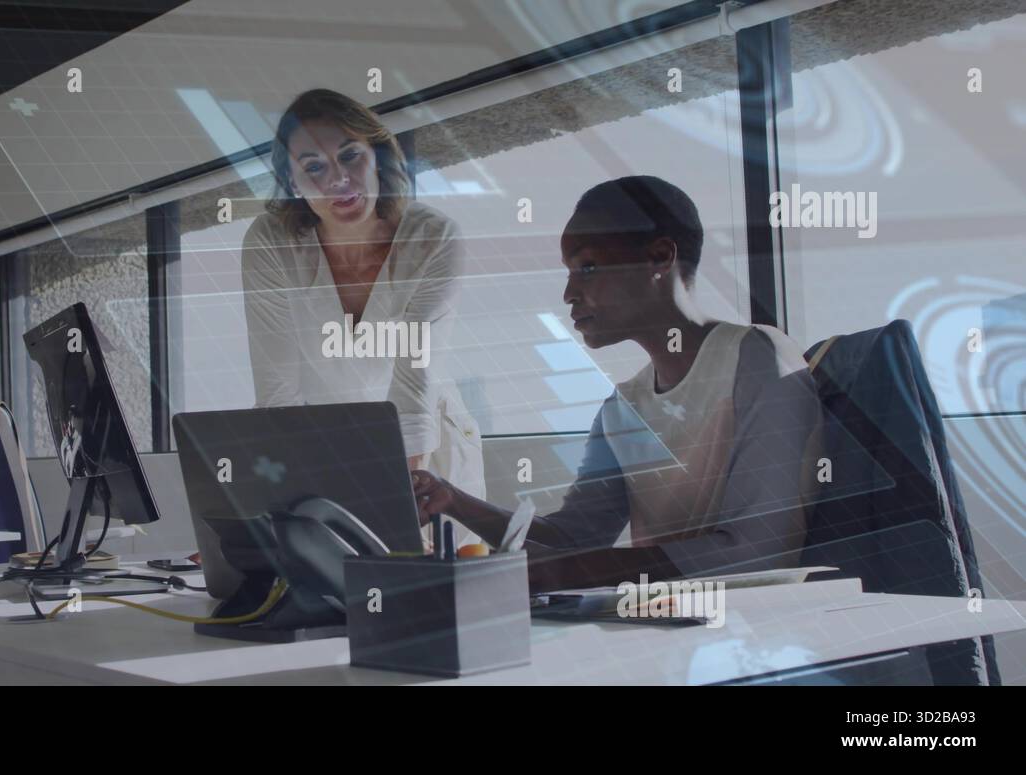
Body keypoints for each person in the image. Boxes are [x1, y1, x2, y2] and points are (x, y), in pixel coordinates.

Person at [413, 176, 823, 591]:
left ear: (659, 257)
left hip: (760, 631)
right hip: (661, 628)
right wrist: (454, 500)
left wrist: (564, 571)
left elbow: (757, 550)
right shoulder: (624, 406)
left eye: (587, 267)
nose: (569, 293)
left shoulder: (756, 357)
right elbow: (575, 539)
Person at [241, 88, 486, 543]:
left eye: (350, 155)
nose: (338, 179)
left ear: (379, 156)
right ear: (292, 182)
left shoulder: (433, 238)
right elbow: (278, 389)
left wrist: (402, 512)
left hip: (428, 452)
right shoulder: (270, 242)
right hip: (324, 440)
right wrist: (277, 520)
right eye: (313, 166)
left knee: (427, 583)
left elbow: (415, 379)